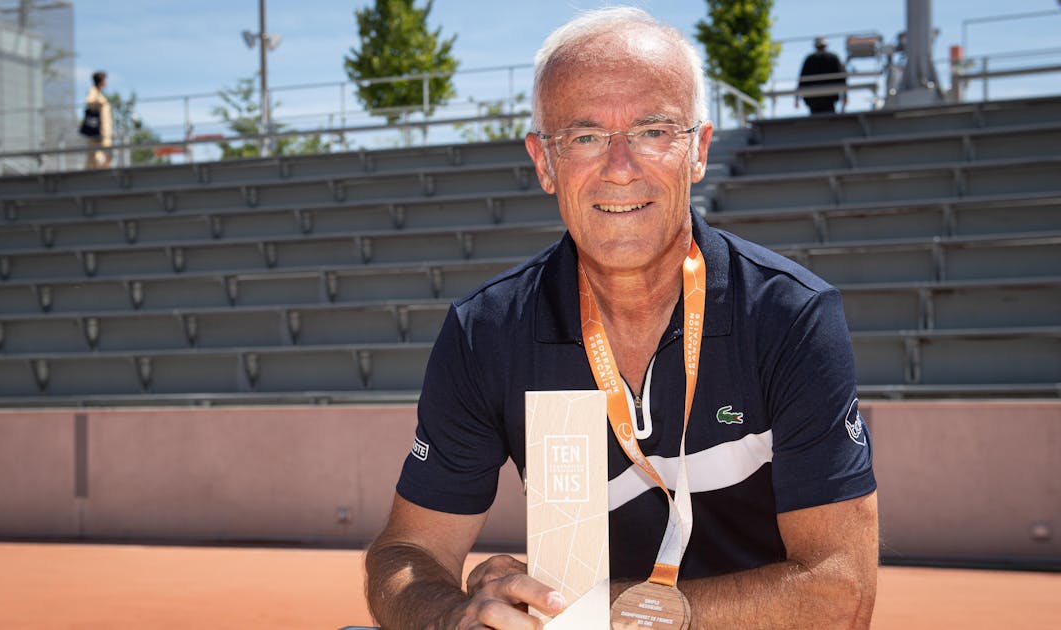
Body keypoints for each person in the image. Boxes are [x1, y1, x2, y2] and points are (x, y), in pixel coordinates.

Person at [365, 7, 878, 629]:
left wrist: (603, 613)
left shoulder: (790, 315)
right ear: (544, 162)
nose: (620, 166)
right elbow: (407, 553)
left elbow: (838, 594)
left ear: (699, 151)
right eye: (584, 137)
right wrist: (454, 617)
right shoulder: (487, 332)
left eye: (653, 130)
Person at [796, 37, 848, 115]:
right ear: (826, 46)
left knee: (815, 122)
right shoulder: (833, 58)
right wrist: (845, 95)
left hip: (813, 100)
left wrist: (797, 98)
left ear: (815, 46)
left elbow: (802, 80)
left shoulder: (809, 59)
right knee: (830, 120)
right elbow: (842, 78)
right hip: (830, 98)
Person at [84, 71, 113, 168]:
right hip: (97, 130)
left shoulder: (99, 93)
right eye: (105, 80)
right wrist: (98, 104)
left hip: (104, 130)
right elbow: (89, 102)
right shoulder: (93, 91)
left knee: (106, 153)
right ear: (101, 81)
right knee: (97, 155)